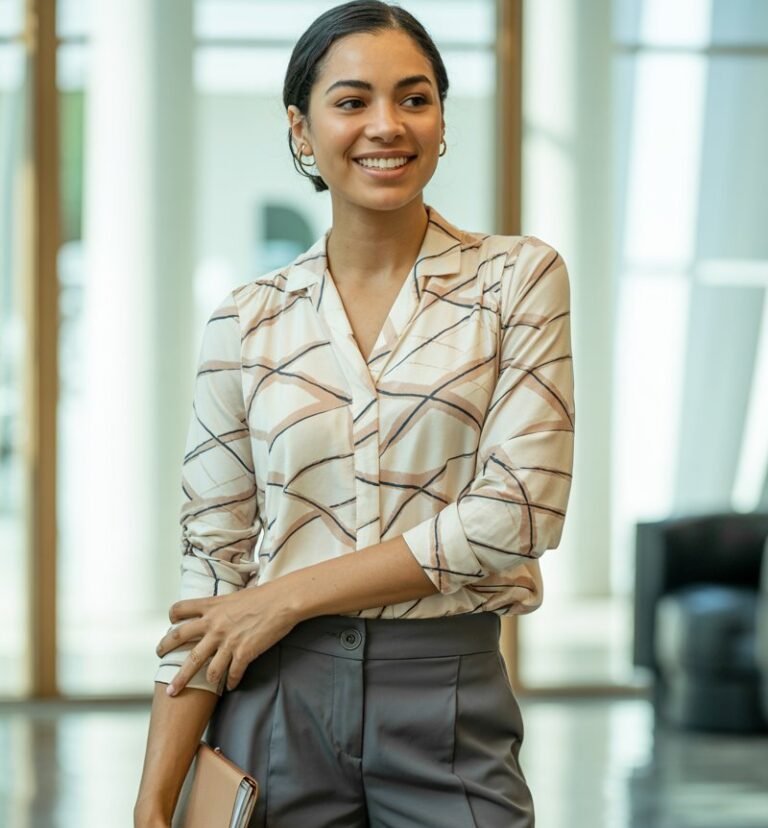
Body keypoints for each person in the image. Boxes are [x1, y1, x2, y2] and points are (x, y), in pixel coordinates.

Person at [134, 2, 575, 826]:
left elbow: (518, 513)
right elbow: (216, 567)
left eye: (414, 98)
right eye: (351, 101)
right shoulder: (247, 320)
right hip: (274, 704)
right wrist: (154, 801)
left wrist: (289, 595)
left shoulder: (516, 280)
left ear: (443, 120)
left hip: (446, 699)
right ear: (301, 129)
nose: (387, 125)